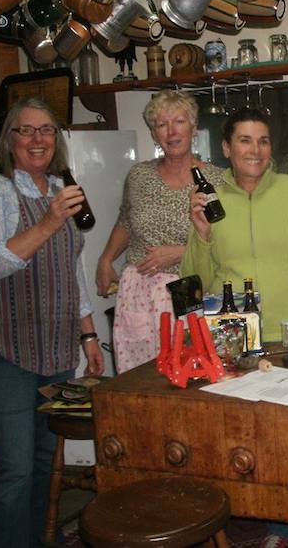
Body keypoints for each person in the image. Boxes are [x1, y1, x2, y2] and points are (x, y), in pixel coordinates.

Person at [181, 107, 288, 548]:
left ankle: (283, 528)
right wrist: (200, 233)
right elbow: (194, 277)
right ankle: (234, 515)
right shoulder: (209, 199)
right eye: (246, 141)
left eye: (263, 141)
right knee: (238, 436)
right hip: (231, 339)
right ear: (227, 148)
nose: (256, 150)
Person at [0, 98, 104, 547]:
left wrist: (90, 335)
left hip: (57, 342)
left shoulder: (61, 188)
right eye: (26, 130)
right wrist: (47, 221)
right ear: (10, 140)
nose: (38, 139)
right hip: (2, 342)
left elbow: (71, 269)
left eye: (46, 130)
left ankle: (40, 539)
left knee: (45, 458)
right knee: (14, 467)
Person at [96, 90, 224, 373]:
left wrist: (179, 252)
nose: (171, 131)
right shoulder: (139, 176)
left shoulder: (216, 179)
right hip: (137, 291)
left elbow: (227, 241)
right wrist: (105, 259)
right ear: (154, 134)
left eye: (178, 121)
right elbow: (126, 221)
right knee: (139, 378)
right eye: (161, 124)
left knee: (188, 372)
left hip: (188, 289)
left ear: (193, 127)